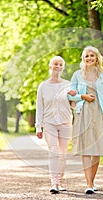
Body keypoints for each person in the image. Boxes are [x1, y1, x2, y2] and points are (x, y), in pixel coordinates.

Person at [68, 46, 103, 194]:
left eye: (92, 56)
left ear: (97, 58)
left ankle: (92, 181)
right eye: (86, 56)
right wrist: (82, 96)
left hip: (99, 112)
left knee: (97, 150)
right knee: (86, 149)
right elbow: (69, 95)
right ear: (83, 58)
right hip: (83, 112)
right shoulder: (77, 75)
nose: (89, 58)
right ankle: (88, 184)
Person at [35, 56, 73, 194]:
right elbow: (39, 107)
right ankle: (54, 183)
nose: (58, 66)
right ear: (50, 66)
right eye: (55, 64)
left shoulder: (68, 84)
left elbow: (74, 104)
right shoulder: (43, 86)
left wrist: (73, 96)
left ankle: (60, 181)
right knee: (53, 152)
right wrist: (38, 127)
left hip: (65, 122)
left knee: (63, 153)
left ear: (63, 67)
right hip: (49, 123)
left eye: (60, 64)